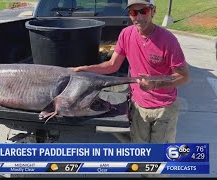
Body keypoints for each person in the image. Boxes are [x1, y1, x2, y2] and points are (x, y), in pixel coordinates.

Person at [71, 0, 189, 144]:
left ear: (153, 11)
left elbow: (183, 77)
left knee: (159, 156)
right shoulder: (126, 34)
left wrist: (155, 84)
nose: (138, 17)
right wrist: (84, 69)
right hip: (138, 105)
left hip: (164, 108)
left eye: (143, 11)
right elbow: (112, 65)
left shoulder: (168, 40)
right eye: (133, 12)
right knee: (139, 151)